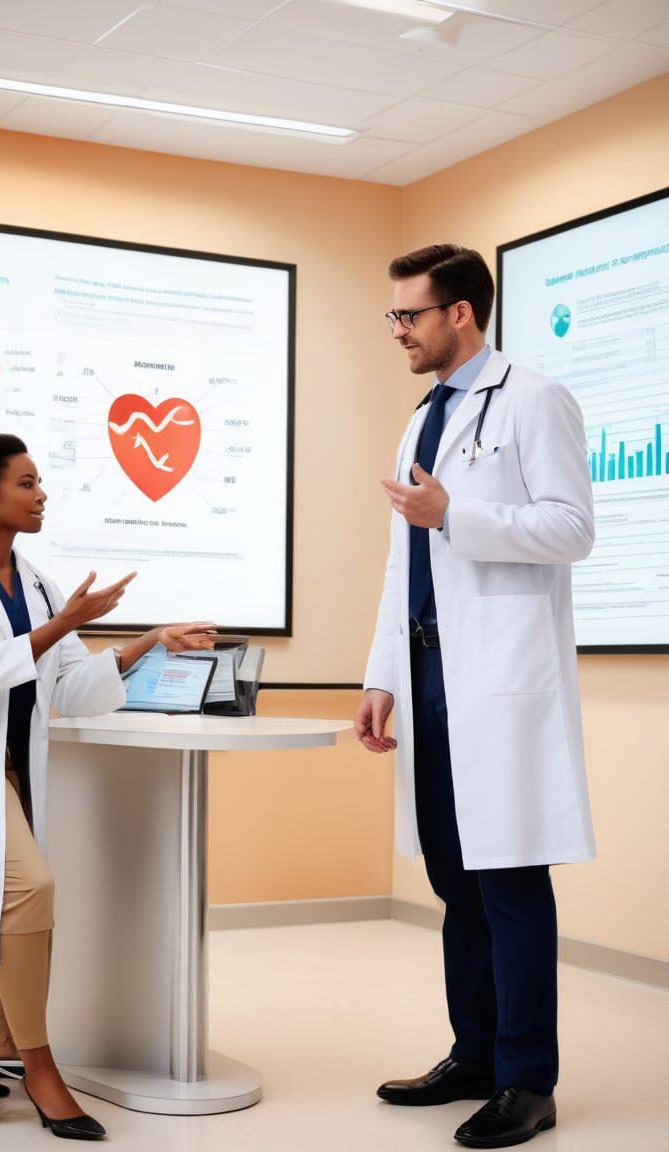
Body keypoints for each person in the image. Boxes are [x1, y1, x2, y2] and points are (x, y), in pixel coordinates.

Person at [0, 433, 216, 1140]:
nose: (42, 496)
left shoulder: (36, 583)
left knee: (15, 903)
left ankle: (7, 1047)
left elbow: (68, 688)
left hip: (16, 768)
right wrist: (63, 625)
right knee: (31, 887)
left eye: (41, 484)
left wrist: (147, 642)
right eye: (28, 483)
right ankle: (39, 1067)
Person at [355, 246, 595, 1149]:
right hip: (427, 671)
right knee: (455, 877)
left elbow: (572, 529)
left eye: (408, 316)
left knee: (509, 877)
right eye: (395, 317)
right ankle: (477, 1054)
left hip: (496, 675)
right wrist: (381, 676)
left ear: (461, 313)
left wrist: (457, 514)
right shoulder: (422, 419)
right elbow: (401, 564)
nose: (399, 332)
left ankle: (530, 1080)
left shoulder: (533, 398)